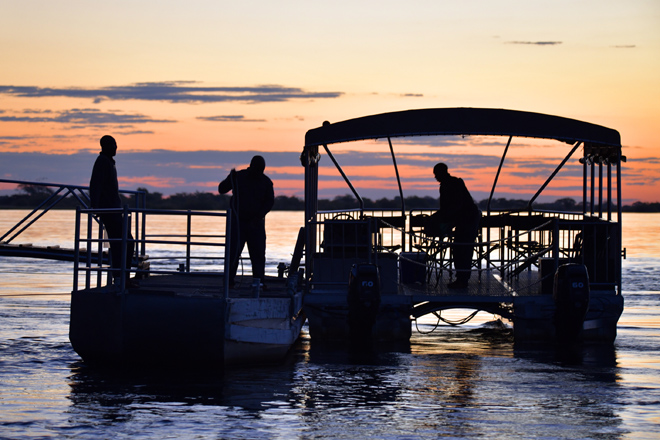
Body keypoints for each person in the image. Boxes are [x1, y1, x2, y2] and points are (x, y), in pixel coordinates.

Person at [218, 155, 274, 288]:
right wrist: (229, 178)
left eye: (262, 169)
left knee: (258, 255)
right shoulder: (238, 177)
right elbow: (222, 189)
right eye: (258, 168)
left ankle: (259, 282)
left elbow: (269, 202)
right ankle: (229, 281)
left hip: (256, 224)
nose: (259, 172)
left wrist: (258, 217)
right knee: (233, 254)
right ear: (251, 166)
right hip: (238, 223)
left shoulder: (266, 182)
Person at [89, 135, 134, 285]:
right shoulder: (102, 162)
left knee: (124, 242)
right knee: (122, 242)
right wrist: (95, 206)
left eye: (116, 144)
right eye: (113, 145)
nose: (116, 147)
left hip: (114, 209)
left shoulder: (109, 162)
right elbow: (95, 185)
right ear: (105, 146)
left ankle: (122, 276)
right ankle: (121, 277)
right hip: (109, 210)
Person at [432, 162, 481, 289]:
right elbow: (447, 208)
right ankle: (461, 278)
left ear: (441, 173)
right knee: (460, 249)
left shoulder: (452, 184)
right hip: (463, 219)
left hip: (468, 219)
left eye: (436, 174)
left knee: (462, 249)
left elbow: (455, 206)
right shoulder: (452, 183)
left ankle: (462, 279)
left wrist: (441, 217)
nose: (435, 177)